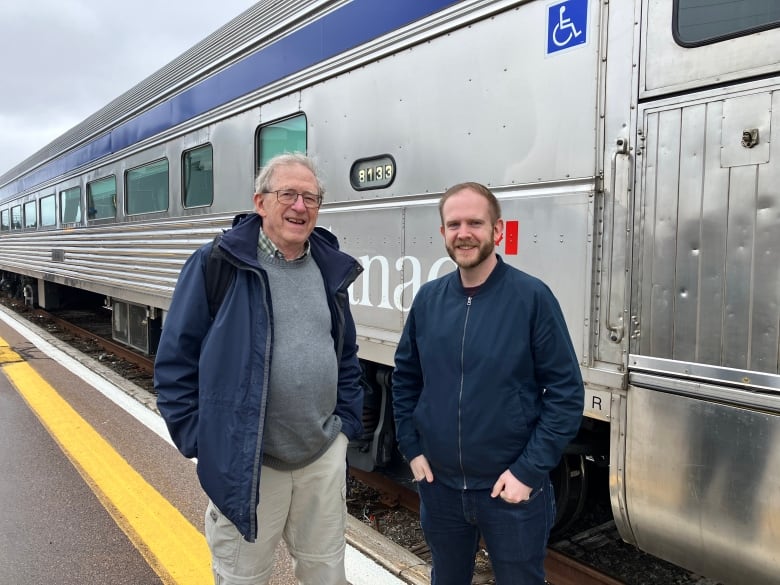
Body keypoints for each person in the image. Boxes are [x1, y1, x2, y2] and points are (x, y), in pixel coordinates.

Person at [154, 153, 364, 585]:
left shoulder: (327, 267)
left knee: (326, 573)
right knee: (243, 577)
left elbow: (344, 352)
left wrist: (345, 428)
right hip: (248, 464)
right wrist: (203, 441)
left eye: (311, 197)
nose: (300, 207)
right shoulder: (218, 263)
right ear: (260, 201)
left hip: (320, 457)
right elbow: (175, 361)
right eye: (288, 194)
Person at [392, 182, 584, 585]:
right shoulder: (428, 299)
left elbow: (566, 395)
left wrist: (528, 472)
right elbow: (406, 379)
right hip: (440, 488)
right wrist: (412, 449)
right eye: (454, 224)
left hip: (509, 490)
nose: (464, 233)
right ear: (443, 233)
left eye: (475, 223)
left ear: (497, 231)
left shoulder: (532, 298)